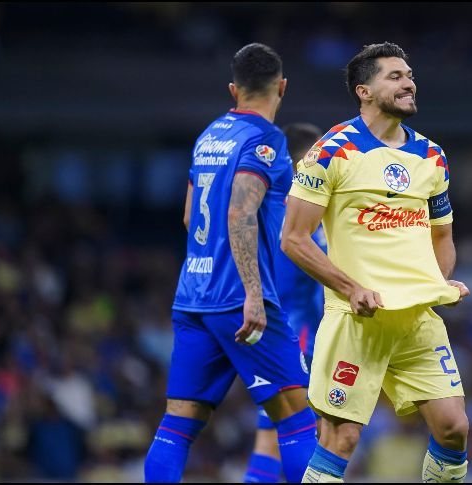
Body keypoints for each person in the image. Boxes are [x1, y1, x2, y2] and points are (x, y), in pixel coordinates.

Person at [281, 42, 472, 483]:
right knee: (340, 440)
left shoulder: (431, 156)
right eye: (395, 76)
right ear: (364, 91)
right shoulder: (331, 151)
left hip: (415, 320)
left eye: (409, 75)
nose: (409, 83)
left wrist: (437, 284)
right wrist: (351, 289)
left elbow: (441, 236)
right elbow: (293, 238)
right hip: (356, 320)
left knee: (454, 428)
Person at [143, 43, 317, 483]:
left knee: (177, 426)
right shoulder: (266, 140)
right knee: (298, 420)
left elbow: (188, 216)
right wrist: (253, 294)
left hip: (192, 297)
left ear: (232, 88)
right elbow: (240, 211)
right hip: (241, 301)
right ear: (283, 87)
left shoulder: (209, 135)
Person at [244, 122, 326, 483]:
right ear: (307, 160)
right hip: (302, 336)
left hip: (268, 333)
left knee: (269, 435)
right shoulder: (306, 216)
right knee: (307, 432)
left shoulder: (260, 208)